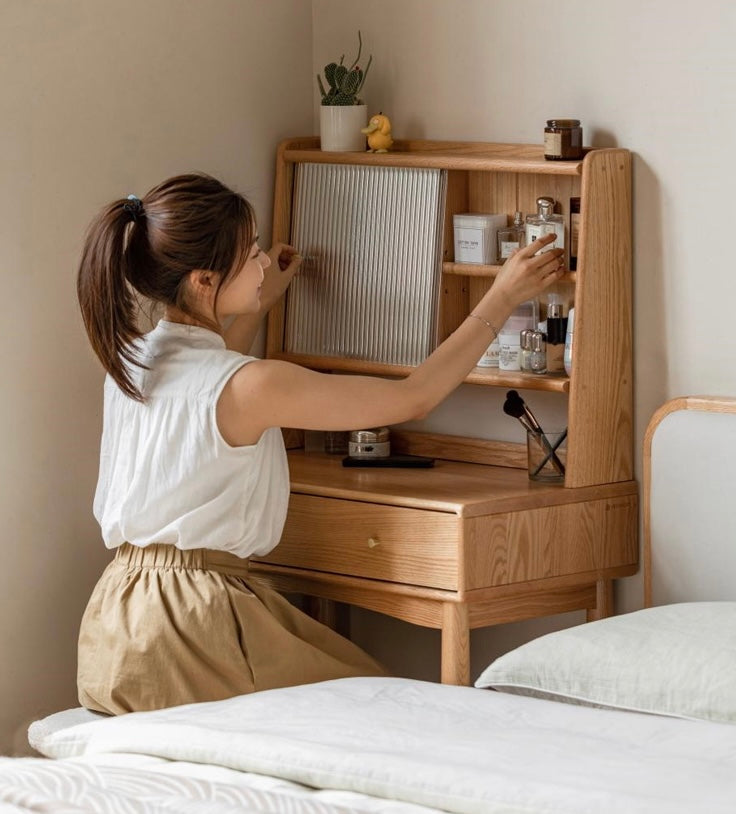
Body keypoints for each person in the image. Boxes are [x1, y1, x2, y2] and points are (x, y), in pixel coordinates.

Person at [76, 172, 564, 715]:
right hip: (193, 627)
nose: (263, 262)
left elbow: (214, 382)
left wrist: (260, 304)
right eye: (252, 252)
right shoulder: (255, 385)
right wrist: (501, 296)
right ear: (203, 281)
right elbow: (415, 397)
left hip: (117, 622)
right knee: (393, 707)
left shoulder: (134, 362)